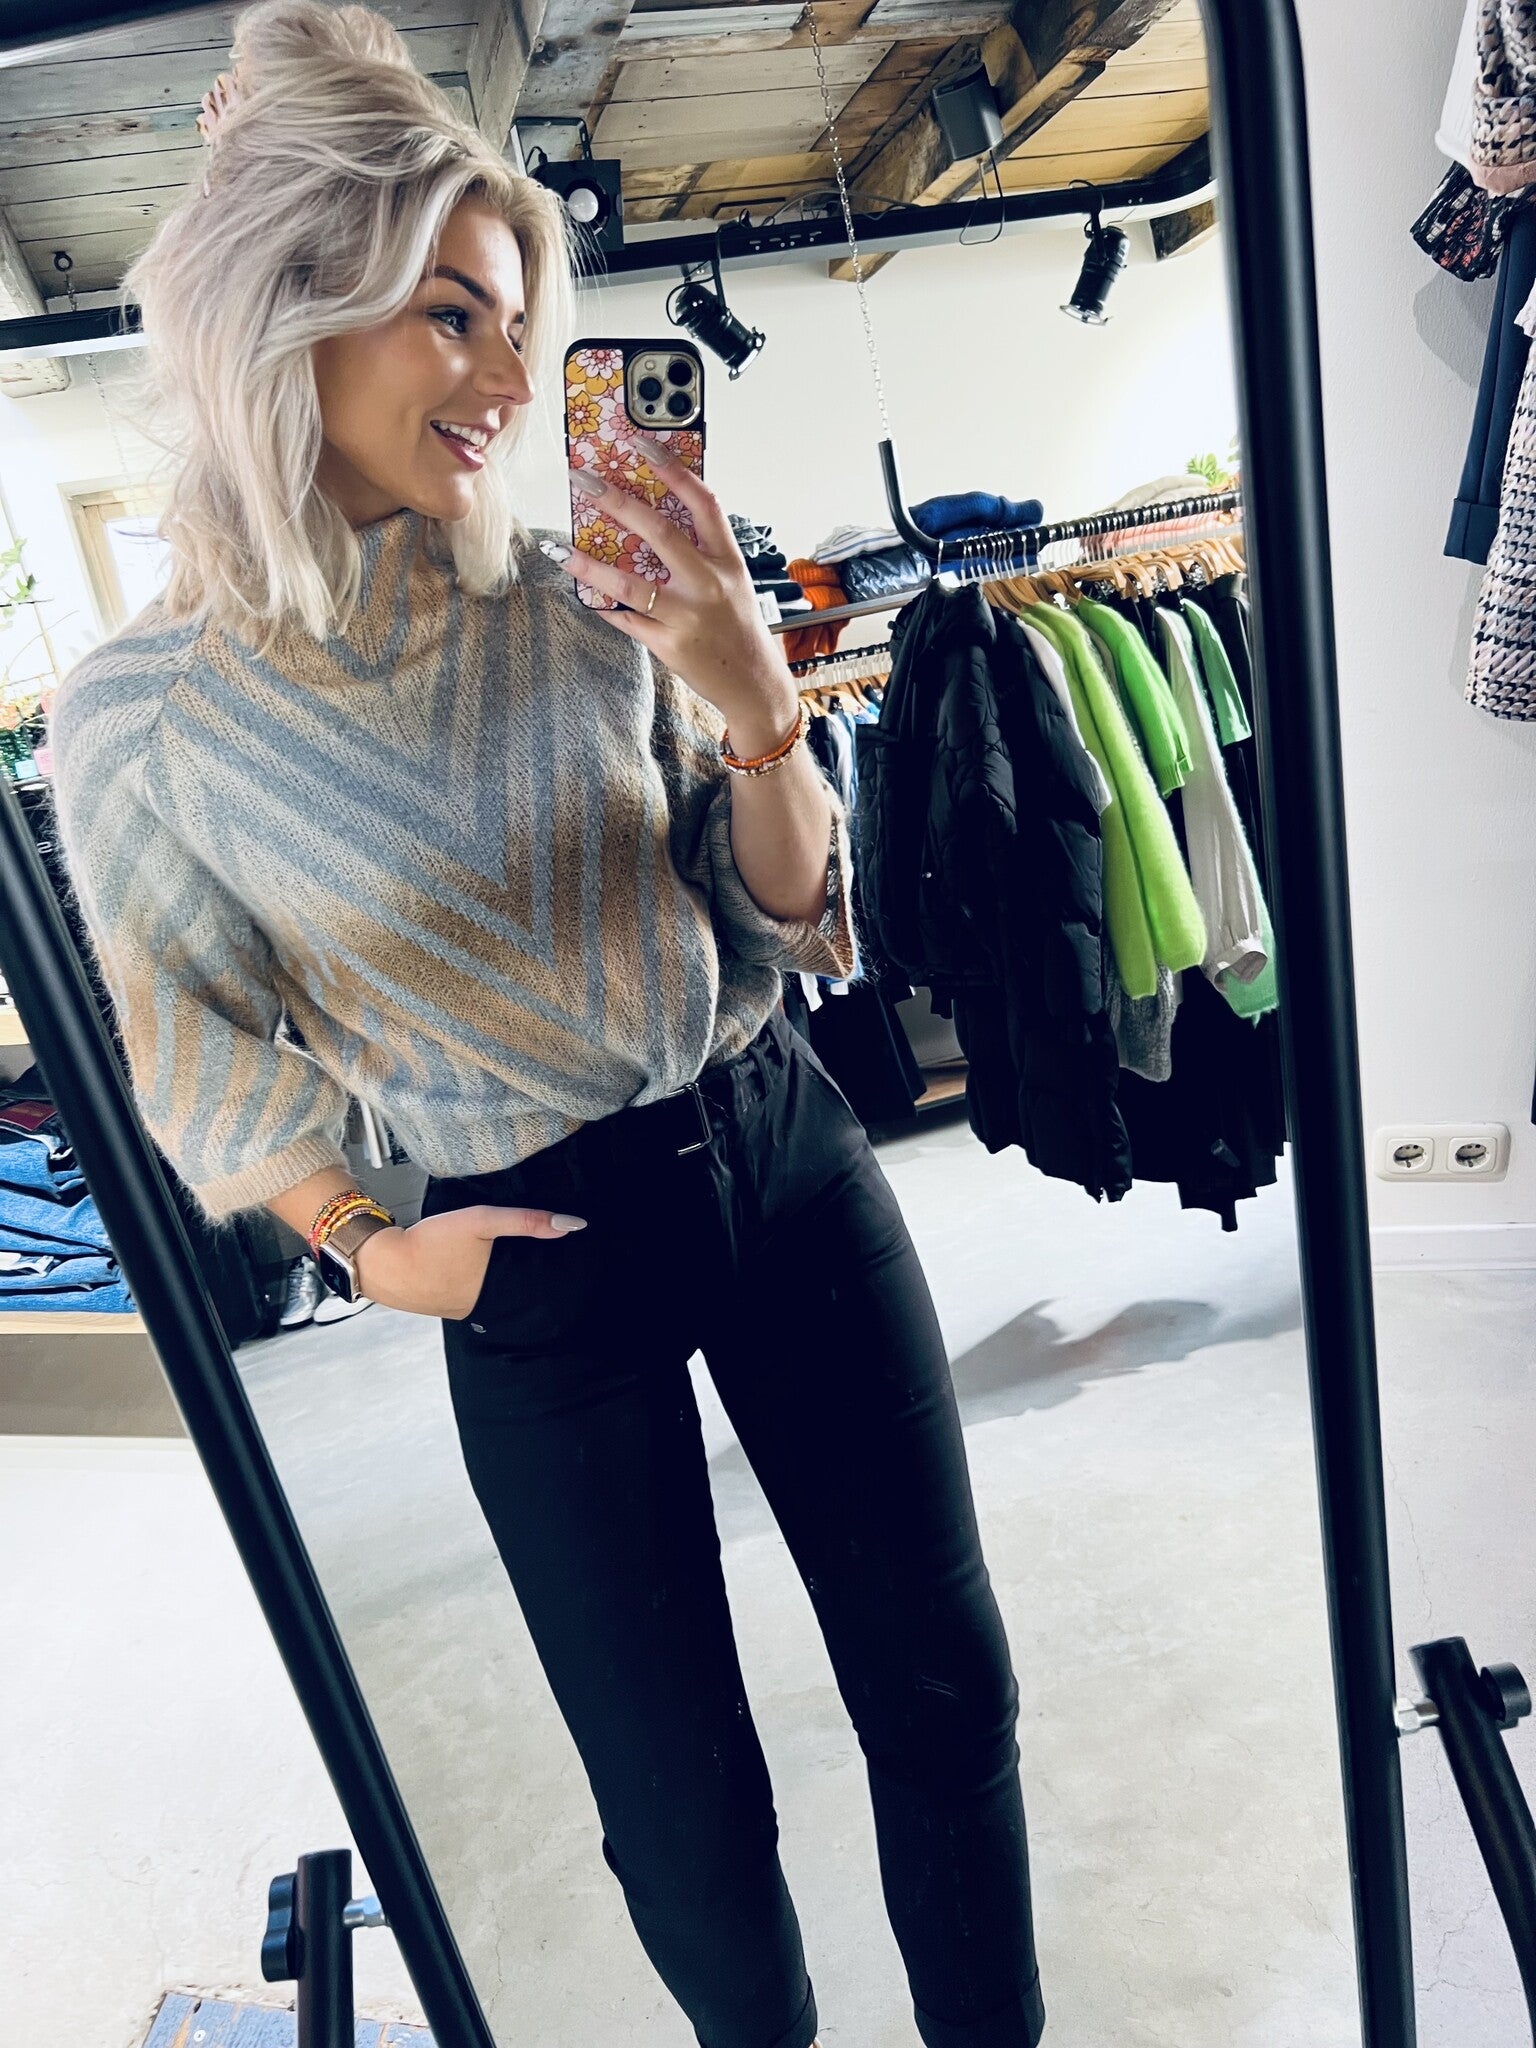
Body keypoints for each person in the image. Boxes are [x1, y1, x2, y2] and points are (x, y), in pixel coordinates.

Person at [46, 6, 1044, 2045]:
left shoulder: (590, 591)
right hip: (534, 1262)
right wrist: (362, 1239)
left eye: (520, 324)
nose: (512, 383)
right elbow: (198, 1046)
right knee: (682, 1823)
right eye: (451, 318)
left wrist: (755, 698)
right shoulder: (147, 720)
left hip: (777, 1150)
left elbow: (784, 920)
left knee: (947, 1693)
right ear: (283, 313)